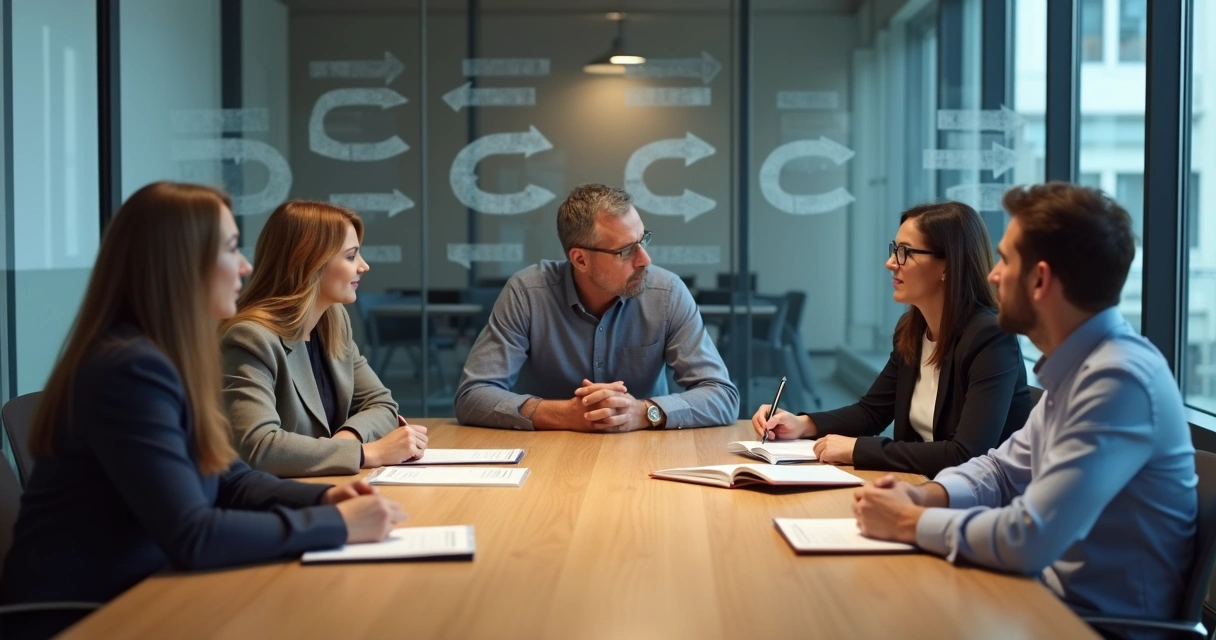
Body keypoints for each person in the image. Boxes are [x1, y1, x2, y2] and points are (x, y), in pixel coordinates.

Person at [0, 183, 406, 640]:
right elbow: (193, 534)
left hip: (149, 586)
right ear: (180, 263)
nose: (247, 266)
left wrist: (323, 498)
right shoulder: (128, 371)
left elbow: (229, 477)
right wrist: (333, 525)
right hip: (88, 614)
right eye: (232, 248)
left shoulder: (163, 355)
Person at [853, 183, 1196, 630]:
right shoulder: (1077, 370)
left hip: (1089, 626)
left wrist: (911, 522)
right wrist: (923, 495)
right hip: (1035, 599)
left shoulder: (1118, 379)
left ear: (1040, 280)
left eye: (1006, 260)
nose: (992, 275)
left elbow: (1029, 536)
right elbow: (999, 469)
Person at [752, 202, 1030, 477]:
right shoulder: (911, 329)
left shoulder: (990, 337)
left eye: (905, 252)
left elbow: (966, 453)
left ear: (947, 265)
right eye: (894, 250)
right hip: (920, 486)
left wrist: (857, 449)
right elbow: (872, 412)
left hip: (977, 505)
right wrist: (803, 424)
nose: (890, 263)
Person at [454, 183, 739, 432]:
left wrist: (643, 413)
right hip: (546, 458)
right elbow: (473, 395)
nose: (645, 260)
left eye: (644, 240)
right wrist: (565, 415)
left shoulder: (667, 294)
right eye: (625, 251)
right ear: (579, 260)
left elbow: (722, 396)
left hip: (645, 455)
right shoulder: (528, 294)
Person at [221, 200, 427, 477]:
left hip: (328, 487)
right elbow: (258, 447)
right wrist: (368, 452)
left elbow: (382, 405)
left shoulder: (333, 320)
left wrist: (347, 440)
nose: (364, 266)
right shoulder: (250, 337)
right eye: (351, 256)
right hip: (277, 502)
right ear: (310, 262)